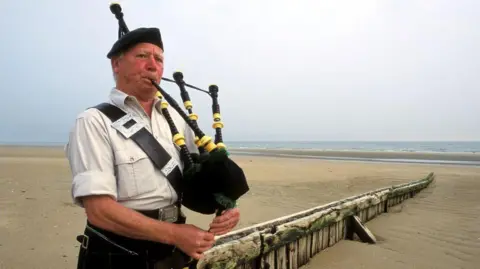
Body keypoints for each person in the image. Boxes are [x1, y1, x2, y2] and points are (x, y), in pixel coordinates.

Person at [65, 27, 240, 269]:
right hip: (116, 250)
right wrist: (175, 234)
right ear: (116, 65)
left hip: (172, 250)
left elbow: (207, 174)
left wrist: (228, 206)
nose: (152, 65)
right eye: (142, 56)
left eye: (158, 59)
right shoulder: (94, 121)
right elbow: (99, 210)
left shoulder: (179, 121)